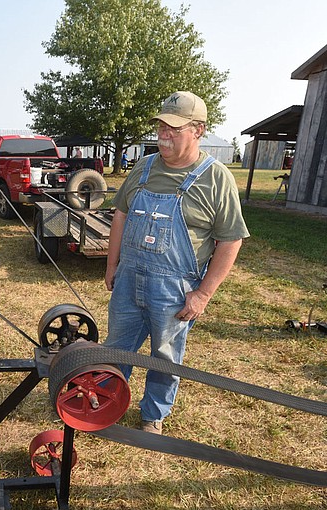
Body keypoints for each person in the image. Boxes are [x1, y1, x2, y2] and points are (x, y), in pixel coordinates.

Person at [104, 91, 249, 435]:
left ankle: (152, 414)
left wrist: (203, 294)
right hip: (129, 278)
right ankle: (106, 401)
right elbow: (121, 215)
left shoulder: (216, 178)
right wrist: (112, 265)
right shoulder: (144, 167)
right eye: (160, 127)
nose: (163, 135)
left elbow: (230, 240)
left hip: (174, 287)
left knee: (165, 356)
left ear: (198, 130)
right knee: (116, 347)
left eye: (174, 128)